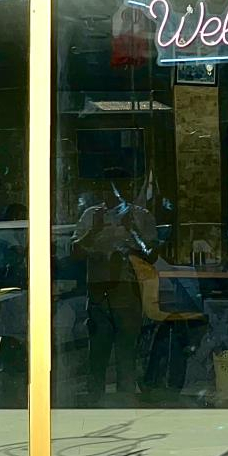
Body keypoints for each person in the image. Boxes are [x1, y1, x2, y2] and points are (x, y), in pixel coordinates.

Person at [72, 167, 157, 403]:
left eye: (119, 187)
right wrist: (95, 230)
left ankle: (125, 403)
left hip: (127, 292)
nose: (114, 193)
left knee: (127, 355)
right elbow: (75, 252)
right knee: (97, 355)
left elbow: (152, 255)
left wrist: (132, 230)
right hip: (99, 293)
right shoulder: (91, 215)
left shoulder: (140, 216)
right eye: (108, 187)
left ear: (128, 188)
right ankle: (94, 403)